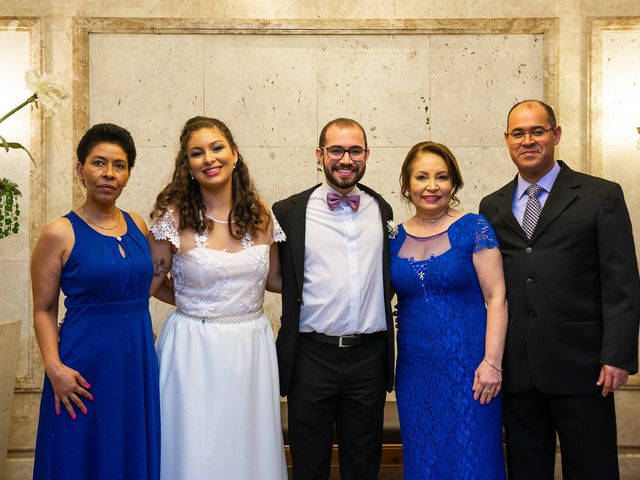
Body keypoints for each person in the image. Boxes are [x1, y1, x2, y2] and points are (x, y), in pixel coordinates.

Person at [479, 99, 640, 480]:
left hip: (584, 368)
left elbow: (622, 282)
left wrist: (617, 355)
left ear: (556, 134)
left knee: (591, 469)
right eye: (518, 133)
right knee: (525, 469)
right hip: (518, 370)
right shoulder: (492, 205)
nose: (528, 140)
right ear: (506, 140)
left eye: (537, 131)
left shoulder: (600, 195)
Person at [148, 116, 287, 480]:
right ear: (188, 166)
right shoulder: (172, 218)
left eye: (217, 148)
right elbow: (152, 281)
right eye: (197, 153)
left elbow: (273, 279)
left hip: (251, 346)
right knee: (196, 446)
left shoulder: (260, 215)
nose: (209, 158)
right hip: (194, 347)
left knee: (246, 445)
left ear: (235, 154)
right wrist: (197, 303)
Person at [31, 124, 160, 479]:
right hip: (81, 365)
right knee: (78, 452)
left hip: (136, 361)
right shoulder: (59, 231)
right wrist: (54, 368)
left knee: (128, 447)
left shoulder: (138, 225)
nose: (109, 173)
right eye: (99, 163)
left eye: (119, 165)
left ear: (128, 174)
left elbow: (151, 282)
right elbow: (43, 308)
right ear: (80, 170)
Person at [273, 118, 395, 480]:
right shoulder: (289, 212)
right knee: (309, 463)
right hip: (311, 356)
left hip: (368, 357)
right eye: (337, 150)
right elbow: (275, 277)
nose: (346, 159)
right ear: (319, 154)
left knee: (364, 461)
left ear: (367, 155)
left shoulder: (381, 209)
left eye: (355, 150)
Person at [390, 141, 508, 479]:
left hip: (471, 370)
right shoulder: (394, 237)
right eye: (422, 177)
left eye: (441, 177)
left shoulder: (474, 227)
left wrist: (492, 363)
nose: (431, 186)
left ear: (453, 183)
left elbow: (497, 295)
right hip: (416, 372)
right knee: (425, 457)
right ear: (406, 184)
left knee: (473, 456)